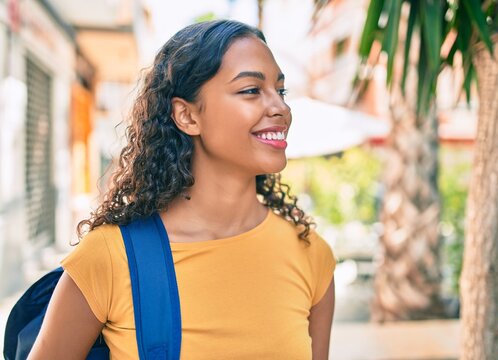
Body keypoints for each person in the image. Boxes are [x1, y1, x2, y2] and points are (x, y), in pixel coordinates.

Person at [29, 19, 336, 360]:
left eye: (279, 91)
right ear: (187, 116)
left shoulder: (311, 254)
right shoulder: (109, 258)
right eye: (251, 90)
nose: (280, 108)